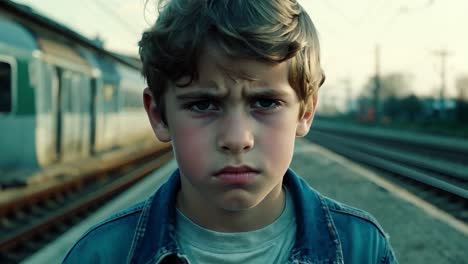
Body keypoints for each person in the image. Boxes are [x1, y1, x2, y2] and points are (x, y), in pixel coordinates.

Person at [63, 0, 398, 263]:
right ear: (159, 115)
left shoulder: (363, 249)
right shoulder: (101, 255)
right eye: (203, 104)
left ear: (305, 111)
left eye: (265, 103)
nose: (237, 139)